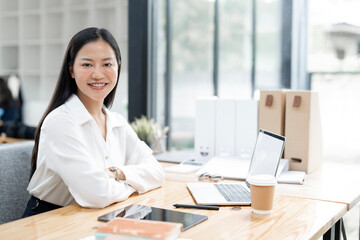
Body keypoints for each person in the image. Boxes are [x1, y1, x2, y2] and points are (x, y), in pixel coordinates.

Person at [22, 28, 165, 217]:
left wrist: (116, 174)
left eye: (107, 64)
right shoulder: (60, 122)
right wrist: (136, 184)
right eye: (87, 65)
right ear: (71, 70)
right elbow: (98, 194)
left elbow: (157, 172)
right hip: (51, 220)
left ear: (118, 67)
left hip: (97, 217)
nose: (97, 74)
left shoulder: (117, 122)